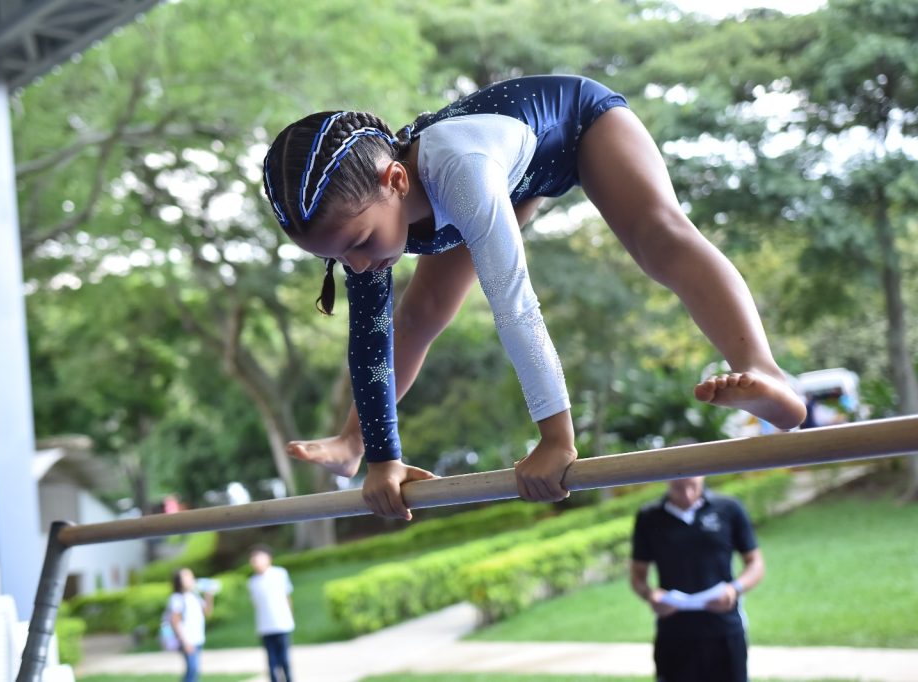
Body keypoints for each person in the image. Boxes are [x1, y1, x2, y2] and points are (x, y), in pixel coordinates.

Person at [261, 74, 807, 519]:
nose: (356, 265)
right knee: (420, 313)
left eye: (358, 244)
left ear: (397, 180)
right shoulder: (366, 216)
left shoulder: (459, 173)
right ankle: (354, 442)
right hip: (510, 175)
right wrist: (383, 457)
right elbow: (370, 338)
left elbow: (515, 304)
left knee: (659, 239)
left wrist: (556, 440)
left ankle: (766, 373)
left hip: (579, 124)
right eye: (336, 260)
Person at [630, 475, 765, 682]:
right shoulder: (649, 516)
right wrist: (650, 595)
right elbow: (637, 574)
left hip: (724, 629)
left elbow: (755, 563)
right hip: (674, 632)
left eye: (692, 486)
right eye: (678, 488)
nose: (686, 494)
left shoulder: (728, 508)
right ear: (667, 480)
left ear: (702, 476)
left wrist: (734, 589)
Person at [247, 544, 295, 682]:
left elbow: (287, 597)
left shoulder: (280, 574)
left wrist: (290, 616)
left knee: (284, 660)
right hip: (265, 627)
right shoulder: (252, 582)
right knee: (272, 662)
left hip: (282, 624)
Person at [165, 567, 214, 682]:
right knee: (192, 670)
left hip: (198, 638)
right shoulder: (177, 598)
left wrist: (209, 596)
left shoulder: (195, 596)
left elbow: (207, 612)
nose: (191, 579)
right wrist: (185, 642)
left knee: (194, 671)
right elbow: (175, 621)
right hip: (188, 640)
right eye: (186, 577)